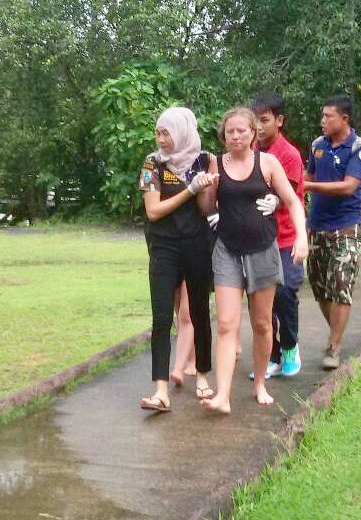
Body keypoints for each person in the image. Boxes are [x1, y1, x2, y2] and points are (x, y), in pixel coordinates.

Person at [199, 107, 308, 414]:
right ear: (223, 135)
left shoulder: (268, 162)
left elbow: (293, 202)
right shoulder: (216, 163)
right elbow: (207, 206)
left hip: (262, 250)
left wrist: (301, 237)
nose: (236, 136)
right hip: (227, 252)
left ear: (252, 133)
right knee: (226, 325)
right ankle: (222, 395)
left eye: (241, 131)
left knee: (261, 324)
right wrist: (208, 190)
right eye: (230, 131)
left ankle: (259, 382)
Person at [138, 106, 218, 412]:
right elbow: (153, 211)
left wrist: (206, 187)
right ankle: (160, 390)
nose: (161, 139)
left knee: (199, 313)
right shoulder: (152, 163)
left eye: (166, 133)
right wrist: (190, 188)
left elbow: (207, 208)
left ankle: (202, 375)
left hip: (197, 244)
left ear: (182, 131)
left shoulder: (204, 159)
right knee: (161, 318)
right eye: (158, 132)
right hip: (163, 247)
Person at [304, 95, 361, 370]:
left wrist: (308, 188)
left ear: (344, 119)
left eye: (328, 116)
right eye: (322, 116)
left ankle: (334, 344)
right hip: (317, 224)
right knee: (320, 287)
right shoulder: (317, 146)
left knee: (341, 285)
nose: (322, 121)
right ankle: (337, 331)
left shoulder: (360, 148)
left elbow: (348, 186)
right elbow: (308, 176)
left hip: (346, 225)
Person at [248, 92, 305, 379]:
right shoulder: (249, 150)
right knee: (261, 298)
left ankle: (290, 346)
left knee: (284, 293)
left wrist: (274, 201)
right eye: (255, 120)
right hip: (258, 238)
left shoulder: (289, 155)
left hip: (285, 237)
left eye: (265, 120)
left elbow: (289, 196)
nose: (258, 126)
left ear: (279, 121)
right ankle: (269, 355)